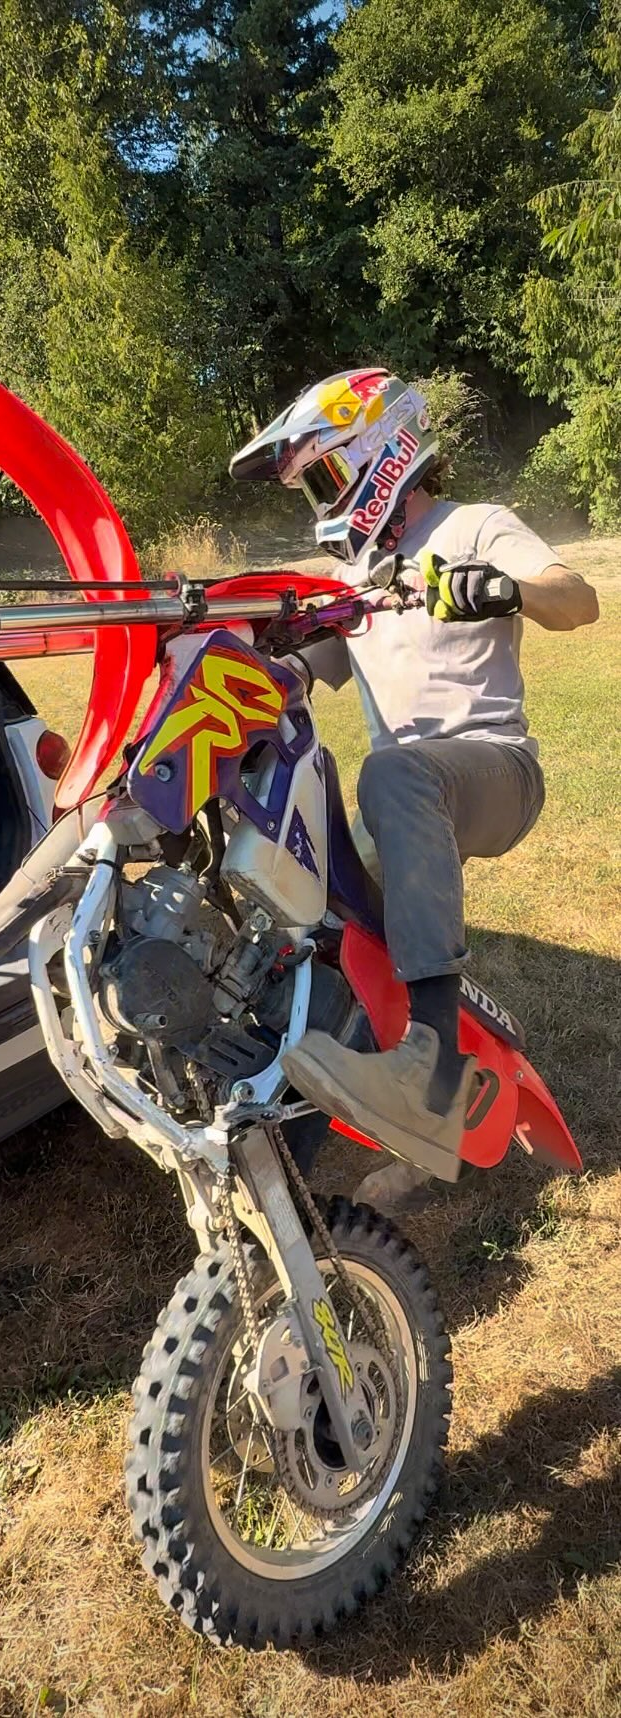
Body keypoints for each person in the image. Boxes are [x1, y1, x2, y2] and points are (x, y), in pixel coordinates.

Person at [230, 369, 599, 1210]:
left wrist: (502, 586)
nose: (321, 500)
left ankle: (430, 1068)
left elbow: (577, 601)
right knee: (317, 932)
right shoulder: (363, 579)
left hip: (496, 771)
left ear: (385, 452)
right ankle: (282, 1166)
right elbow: (300, 668)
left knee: (393, 773)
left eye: (326, 474)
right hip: (405, 801)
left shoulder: (474, 526)